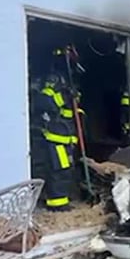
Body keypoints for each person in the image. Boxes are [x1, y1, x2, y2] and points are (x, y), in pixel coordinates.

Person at [29, 46, 85, 212]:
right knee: (59, 170)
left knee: (66, 169)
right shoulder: (56, 79)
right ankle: (57, 204)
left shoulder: (69, 81)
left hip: (66, 136)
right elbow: (44, 102)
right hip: (56, 136)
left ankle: (61, 198)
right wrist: (64, 97)